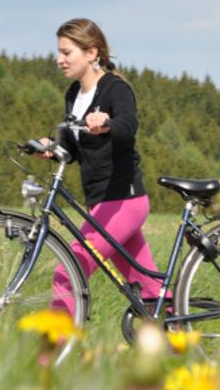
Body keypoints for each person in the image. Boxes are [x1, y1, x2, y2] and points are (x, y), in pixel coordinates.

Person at [43, 18, 162, 316]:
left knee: (68, 272)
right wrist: (50, 147)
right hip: (100, 202)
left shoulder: (115, 89)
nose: (59, 60)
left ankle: (51, 356)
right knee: (147, 287)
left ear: (92, 53)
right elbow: (72, 147)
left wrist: (106, 123)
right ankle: (177, 341)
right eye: (59, 52)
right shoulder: (73, 94)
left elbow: (128, 126)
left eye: (66, 52)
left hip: (124, 200)